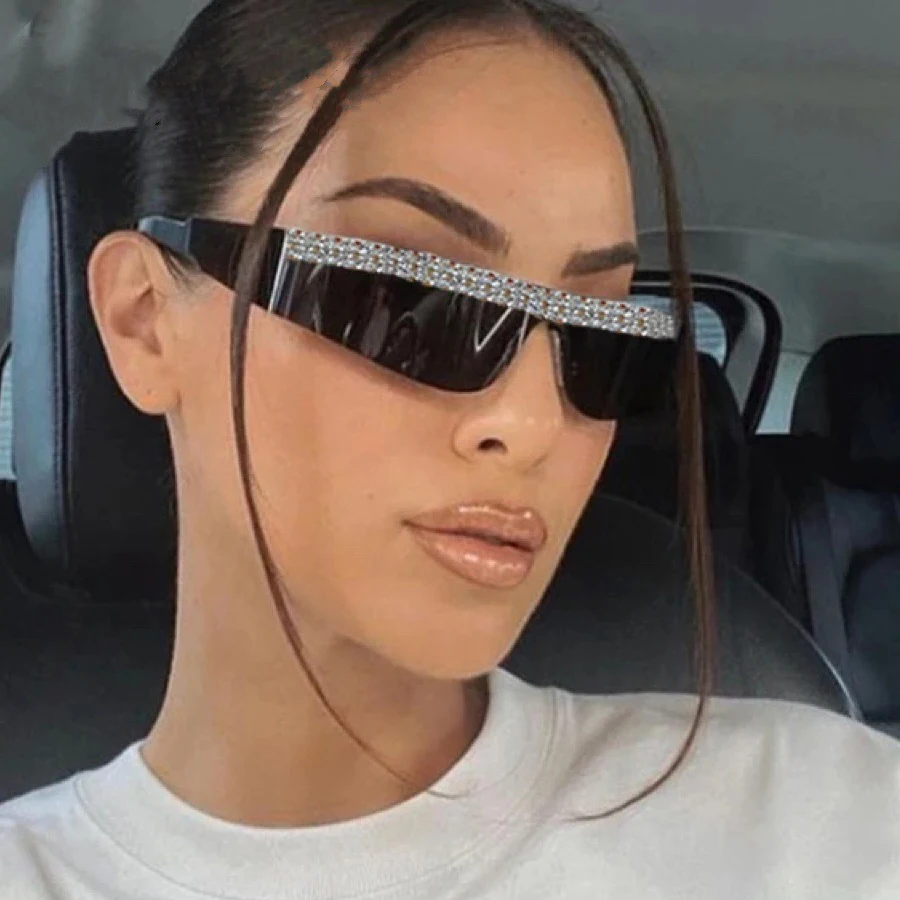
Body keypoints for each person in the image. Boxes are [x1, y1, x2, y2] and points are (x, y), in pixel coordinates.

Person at [1, 1, 898, 897]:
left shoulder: (823, 816)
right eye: (405, 302)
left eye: (599, 339)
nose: (534, 423)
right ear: (146, 322)